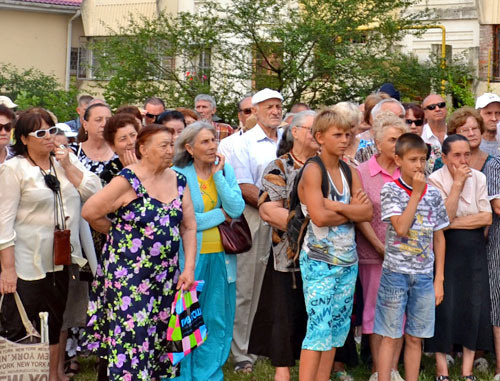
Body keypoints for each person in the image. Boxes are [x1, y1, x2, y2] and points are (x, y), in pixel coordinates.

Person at [82, 124, 196, 380]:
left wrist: (188, 268)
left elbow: (188, 226)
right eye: (163, 145)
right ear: (143, 149)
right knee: (133, 338)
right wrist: (117, 233)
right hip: (128, 277)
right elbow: (90, 212)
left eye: (171, 145)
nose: (170, 151)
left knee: (157, 338)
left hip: (165, 277)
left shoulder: (179, 180)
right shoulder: (126, 180)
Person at [0, 108, 101, 381]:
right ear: (24, 139)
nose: (49, 138)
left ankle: (51, 376)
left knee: (56, 319)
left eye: (52, 131)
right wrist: (7, 269)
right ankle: (23, 375)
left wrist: (68, 165)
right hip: (26, 260)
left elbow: (95, 192)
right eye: (41, 133)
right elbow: (4, 224)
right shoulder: (13, 169)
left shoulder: (64, 162)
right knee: (24, 322)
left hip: (62, 256)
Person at [297, 109, 373, 381]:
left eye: (348, 135)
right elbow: (319, 216)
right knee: (318, 326)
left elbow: (366, 213)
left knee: (336, 329)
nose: (344, 140)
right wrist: (347, 208)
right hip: (319, 259)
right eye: (337, 135)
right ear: (320, 137)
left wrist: (333, 205)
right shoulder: (313, 170)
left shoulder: (350, 171)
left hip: (347, 260)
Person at [172, 121, 245, 380]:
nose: (213, 145)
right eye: (205, 142)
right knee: (187, 317)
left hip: (222, 259)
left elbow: (236, 209)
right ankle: (182, 374)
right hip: (191, 258)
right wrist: (218, 214)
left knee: (217, 317)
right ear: (189, 148)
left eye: (214, 140)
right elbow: (186, 221)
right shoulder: (178, 173)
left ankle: (209, 373)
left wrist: (217, 176)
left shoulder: (224, 171)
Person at [248, 110, 317, 381]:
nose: (315, 134)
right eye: (311, 129)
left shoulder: (327, 164)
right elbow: (268, 210)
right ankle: (283, 370)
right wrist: (310, 222)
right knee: (284, 311)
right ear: (295, 132)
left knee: (318, 309)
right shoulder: (279, 166)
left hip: (325, 254)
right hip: (287, 253)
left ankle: (328, 365)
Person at [375, 133, 449, 381]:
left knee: (416, 336)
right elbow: (401, 228)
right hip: (395, 273)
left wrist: (439, 278)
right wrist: (415, 194)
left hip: (424, 275)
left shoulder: (435, 194)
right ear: (398, 160)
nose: (419, 165)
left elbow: (439, 237)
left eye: (423, 159)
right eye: (413, 160)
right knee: (391, 334)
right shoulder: (391, 190)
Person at [425, 134, 492, 381]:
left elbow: (485, 217)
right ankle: (442, 370)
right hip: (446, 249)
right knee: (445, 305)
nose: (463, 161)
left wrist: (453, 222)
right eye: (457, 155)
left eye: (467, 155)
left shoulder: (480, 177)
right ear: (443, 157)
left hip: (474, 248)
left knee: (473, 305)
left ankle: (467, 370)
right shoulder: (434, 180)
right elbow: (442, 220)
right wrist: (457, 186)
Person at [230, 88, 284, 373]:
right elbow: (244, 186)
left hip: (289, 220)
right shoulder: (243, 143)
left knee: (276, 289)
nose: (275, 111)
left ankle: (263, 344)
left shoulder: (288, 138)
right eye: (269, 107)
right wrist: (277, 205)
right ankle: (241, 352)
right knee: (247, 288)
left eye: (278, 106)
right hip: (256, 219)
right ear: (256, 110)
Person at [355, 112, 408, 381]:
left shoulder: (408, 171)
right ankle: (378, 369)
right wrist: (377, 246)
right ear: (376, 142)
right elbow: (361, 214)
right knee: (376, 312)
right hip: (373, 254)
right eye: (392, 139)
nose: (398, 144)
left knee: (400, 312)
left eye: (401, 139)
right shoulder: (362, 173)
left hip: (405, 255)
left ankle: (394, 369)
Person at [355, 98, 405, 164]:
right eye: (390, 116)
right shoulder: (362, 154)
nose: (397, 121)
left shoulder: (415, 148)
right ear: (376, 120)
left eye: (401, 117)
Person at [100, 113, 140, 185]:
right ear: (112, 146)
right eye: (123, 139)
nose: (130, 142)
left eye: (133, 135)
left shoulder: (153, 162)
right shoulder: (109, 174)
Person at [404, 103, 440, 176]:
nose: (413, 126)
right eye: (409, 122)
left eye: (418, 122)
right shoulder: (392, 150)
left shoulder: (435, 150)